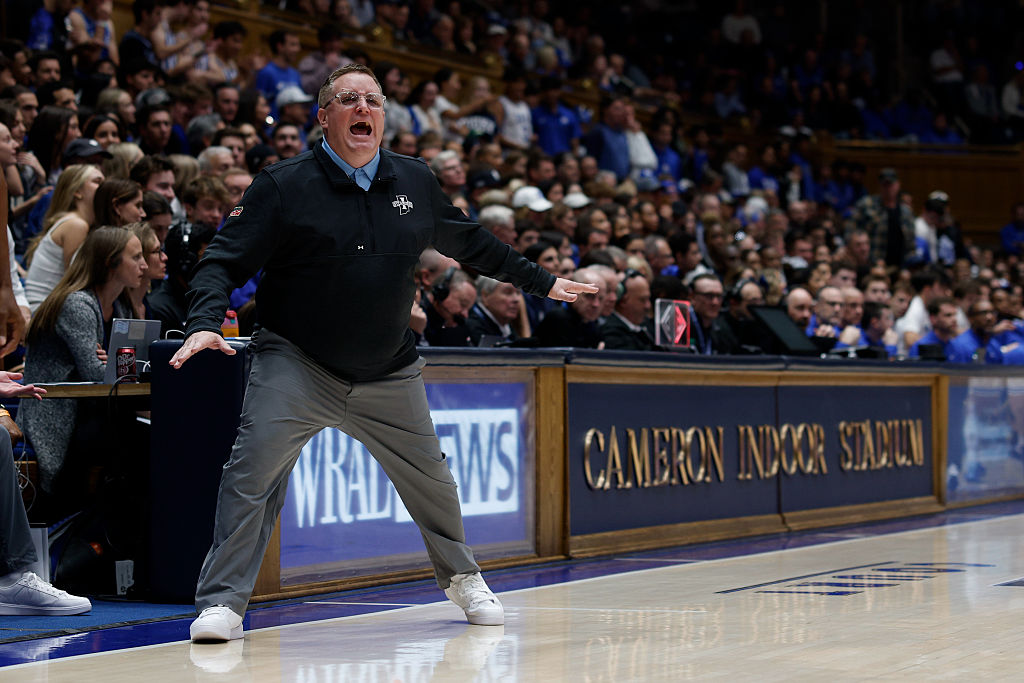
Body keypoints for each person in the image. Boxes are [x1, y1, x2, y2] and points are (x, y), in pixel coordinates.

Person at [169, 64, 597, 643]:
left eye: (373, 99)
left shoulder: (414, 180)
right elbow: (220, 261)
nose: (362, 108)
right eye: (348, 99)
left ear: (383, 116)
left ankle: (463, 577)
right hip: (296, 361)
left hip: (389, 369)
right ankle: (223, 603)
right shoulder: (283, 184)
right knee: (252, 473)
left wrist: (542, 282)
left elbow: (469, 240)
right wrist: (200, 323)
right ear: (325, 118)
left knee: (433, 481)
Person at [19, 227, 147, 512]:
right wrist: (112, 364)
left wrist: (112, 362)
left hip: (95, 410)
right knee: (136, 446)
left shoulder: (121, 306)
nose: (144, 265)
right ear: (110, 262)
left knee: (146, 437)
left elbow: (122, 368)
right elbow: (97, 373)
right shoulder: (77, 304)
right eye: (136, 256)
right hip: (59, 414)